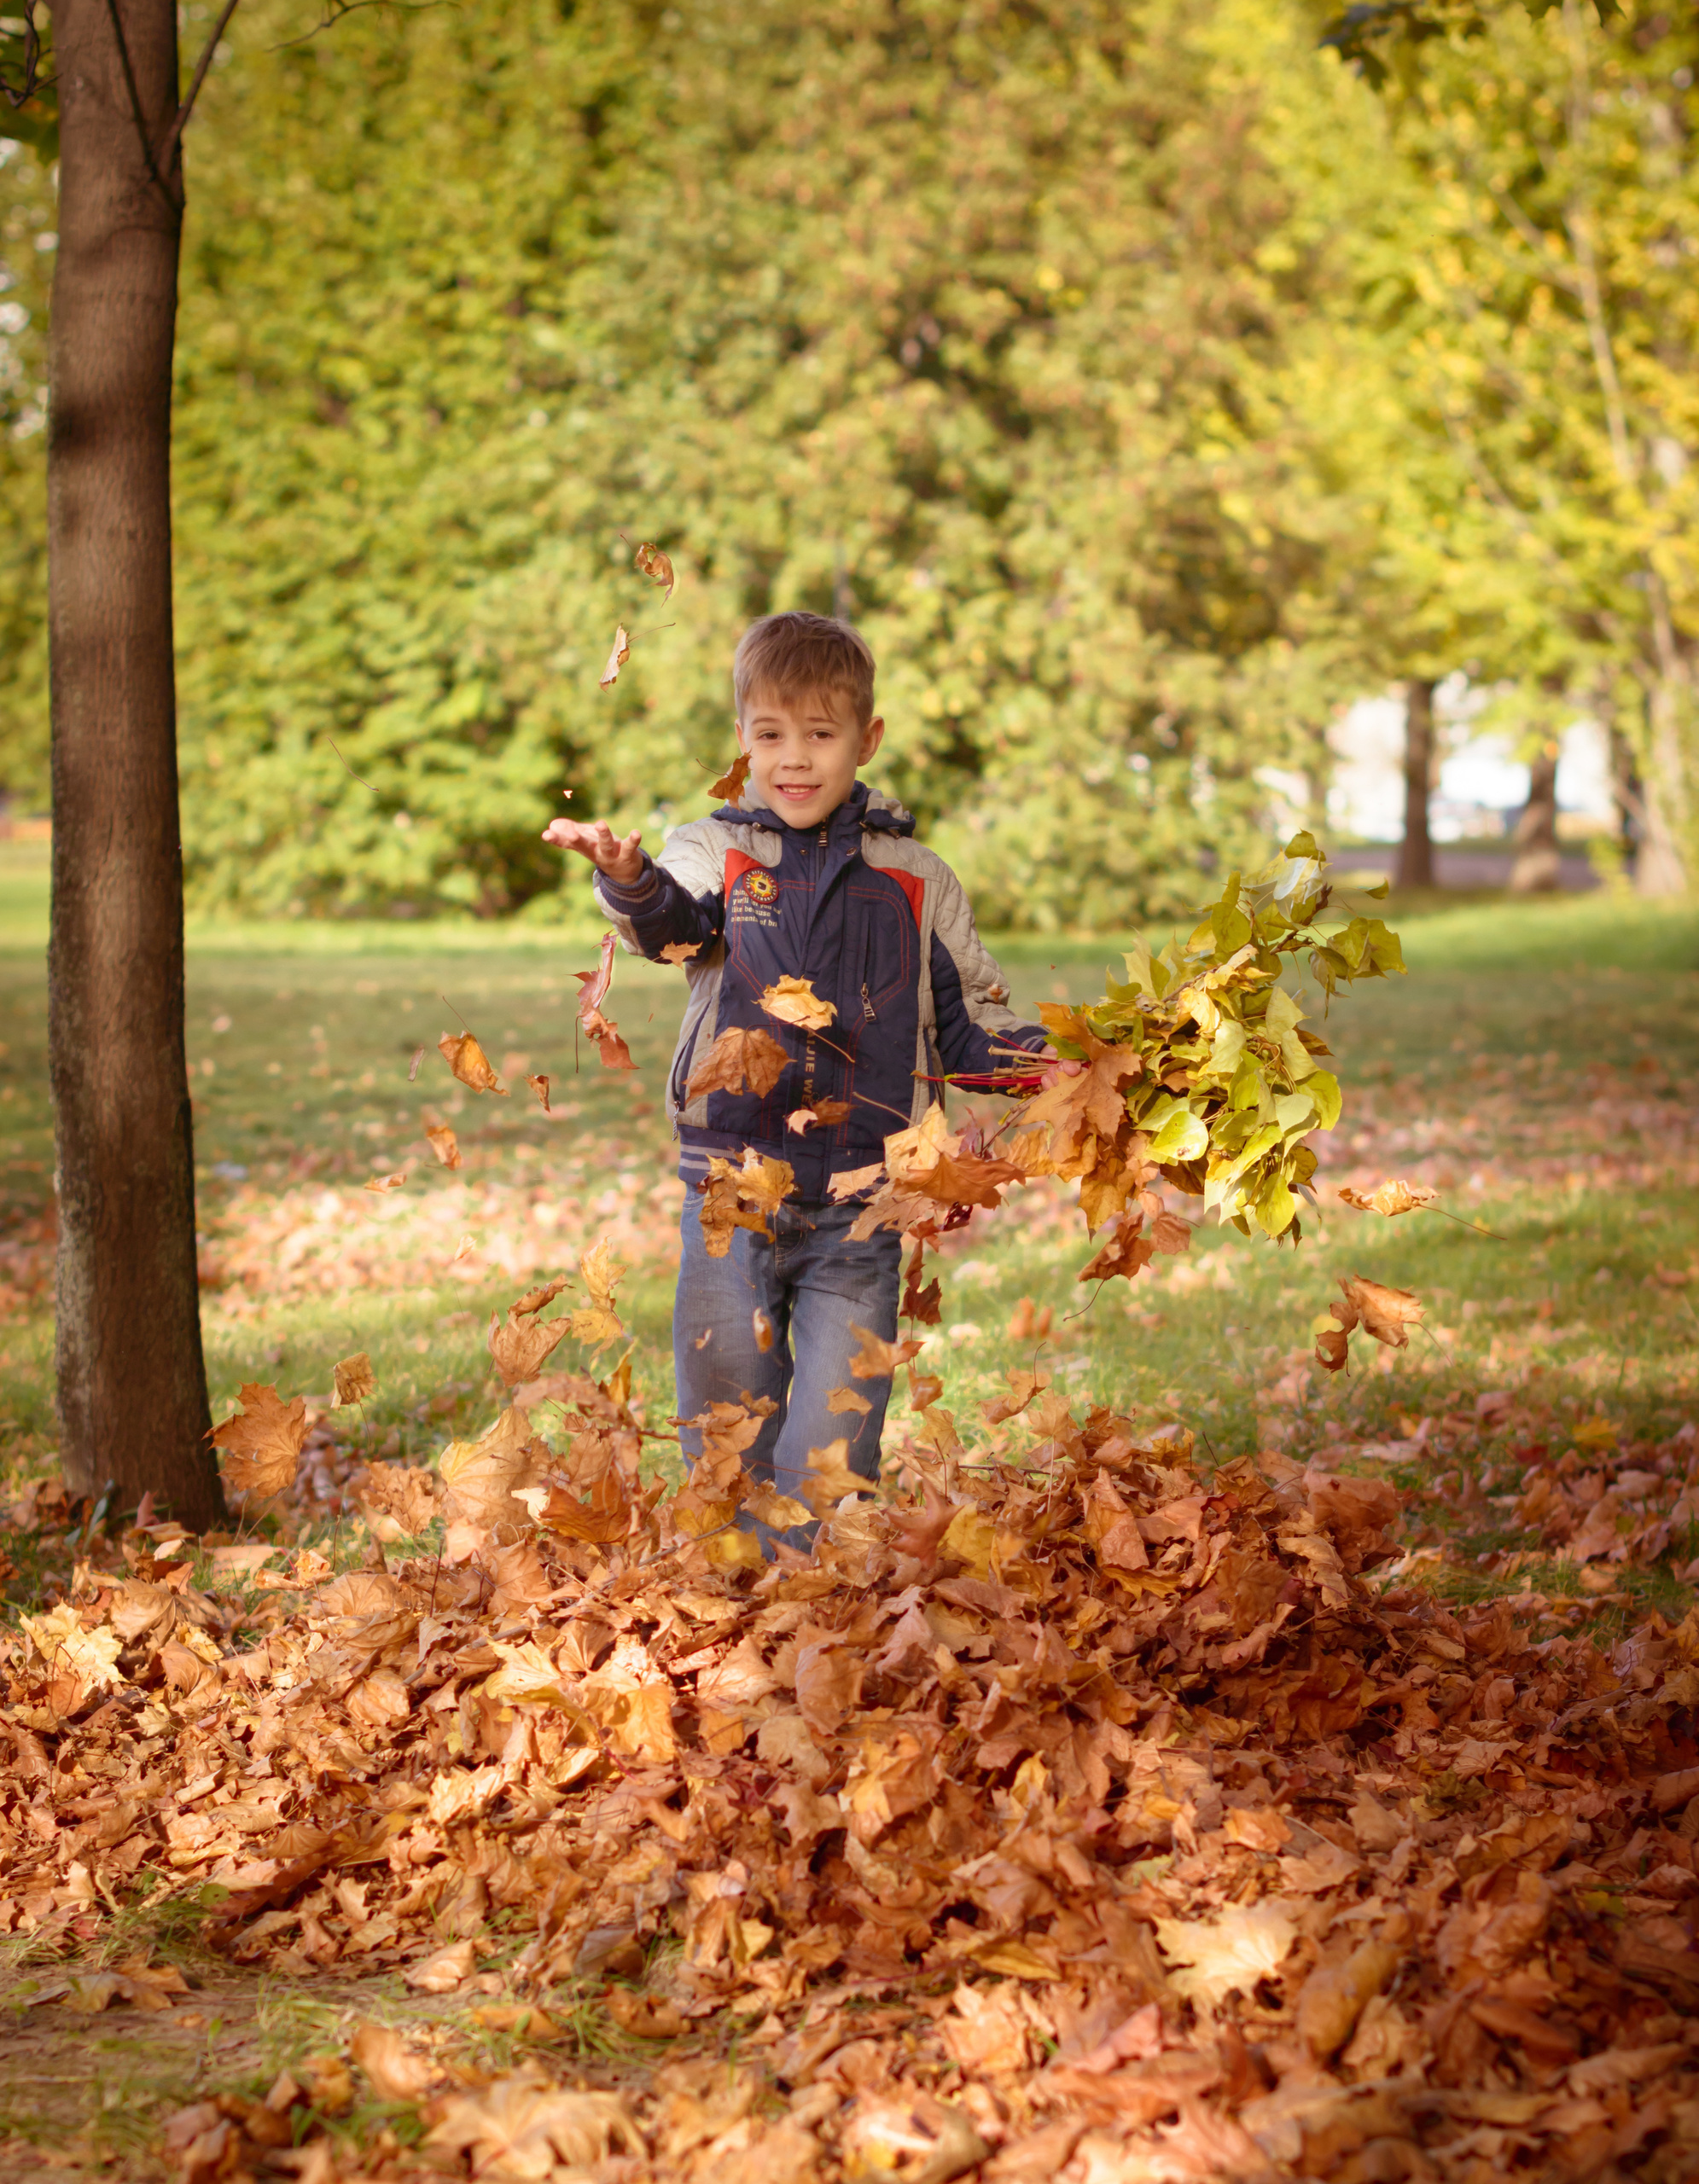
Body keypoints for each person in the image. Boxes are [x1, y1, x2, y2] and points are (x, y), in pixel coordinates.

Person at [544, 611, 1048, 1538]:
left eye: (821, 734)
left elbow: (971, 1030)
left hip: (861, 1209)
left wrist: (1078, 1065)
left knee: (828, 1465)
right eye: (771, 734)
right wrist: (626, 877)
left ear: (867, 739)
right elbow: (673, 927)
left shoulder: (915, 878)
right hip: (730, 1199)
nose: (796, 759)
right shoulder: (713, 852)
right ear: (742, 738)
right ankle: (729, 1633)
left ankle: (810, 1627)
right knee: (727, 1451)